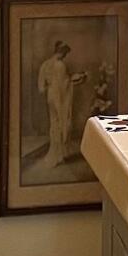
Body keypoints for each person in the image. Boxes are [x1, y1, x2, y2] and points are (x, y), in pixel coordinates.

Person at [38, 39, 86, 168]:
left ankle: (57, 154)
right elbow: (65, 82)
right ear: (62, 52)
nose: (65, 56)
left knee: (54, 123)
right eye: (65, 53)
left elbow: (41, 87)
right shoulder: (60, 65)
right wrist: (79, 77)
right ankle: (57, 156)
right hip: (59, 97)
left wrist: (52, 86)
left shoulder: (45, 64)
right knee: (61, 123)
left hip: (51, 96)